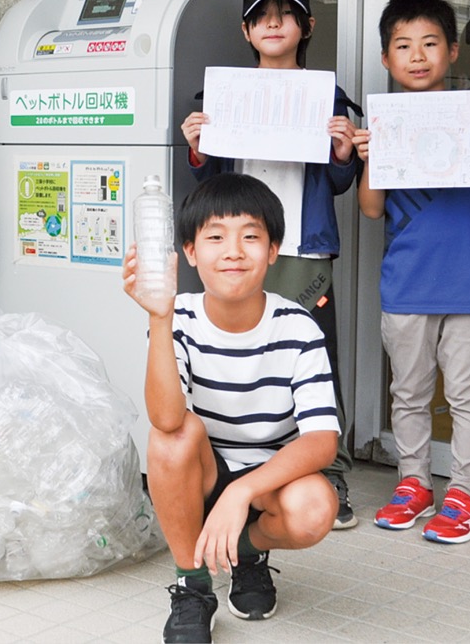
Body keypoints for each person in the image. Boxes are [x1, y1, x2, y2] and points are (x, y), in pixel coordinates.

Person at [123, 173, 339, 643]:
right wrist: (159, 317)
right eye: (216, 236)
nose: (234, 251)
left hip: (268, 477)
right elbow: (164, 419)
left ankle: (242, 552)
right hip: (204, 469)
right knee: (171, 437)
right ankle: (192, 584)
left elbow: (322, 440)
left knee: (316, 507)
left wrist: (241, 497)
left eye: (251, 236)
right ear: (190, 251)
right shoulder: (177, 316)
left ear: (274, 250)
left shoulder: (299, 326)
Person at [180, 0, 361, 528]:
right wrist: (196, 145)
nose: (273, 23)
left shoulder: (326, 96)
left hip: (303, 249)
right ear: (246, 29)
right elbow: (209, 176)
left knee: (311, 361)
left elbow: (338, 184)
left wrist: (341, 152)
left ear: (306, 25)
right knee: (235, 355)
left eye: (284, 14)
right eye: (261, 16)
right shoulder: (225, 93)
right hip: (241, 244)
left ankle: (325, 472)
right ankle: (227, 470)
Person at [351, 0, 470, 544]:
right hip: (407, 285)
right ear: (386, 59)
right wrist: (372, 158)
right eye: (403, 46)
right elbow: (371, 208)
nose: (418, 55)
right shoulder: (387, 125)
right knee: (409, 393)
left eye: (430, 43)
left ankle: (466, 494)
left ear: (452, 51)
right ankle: (413, 484)